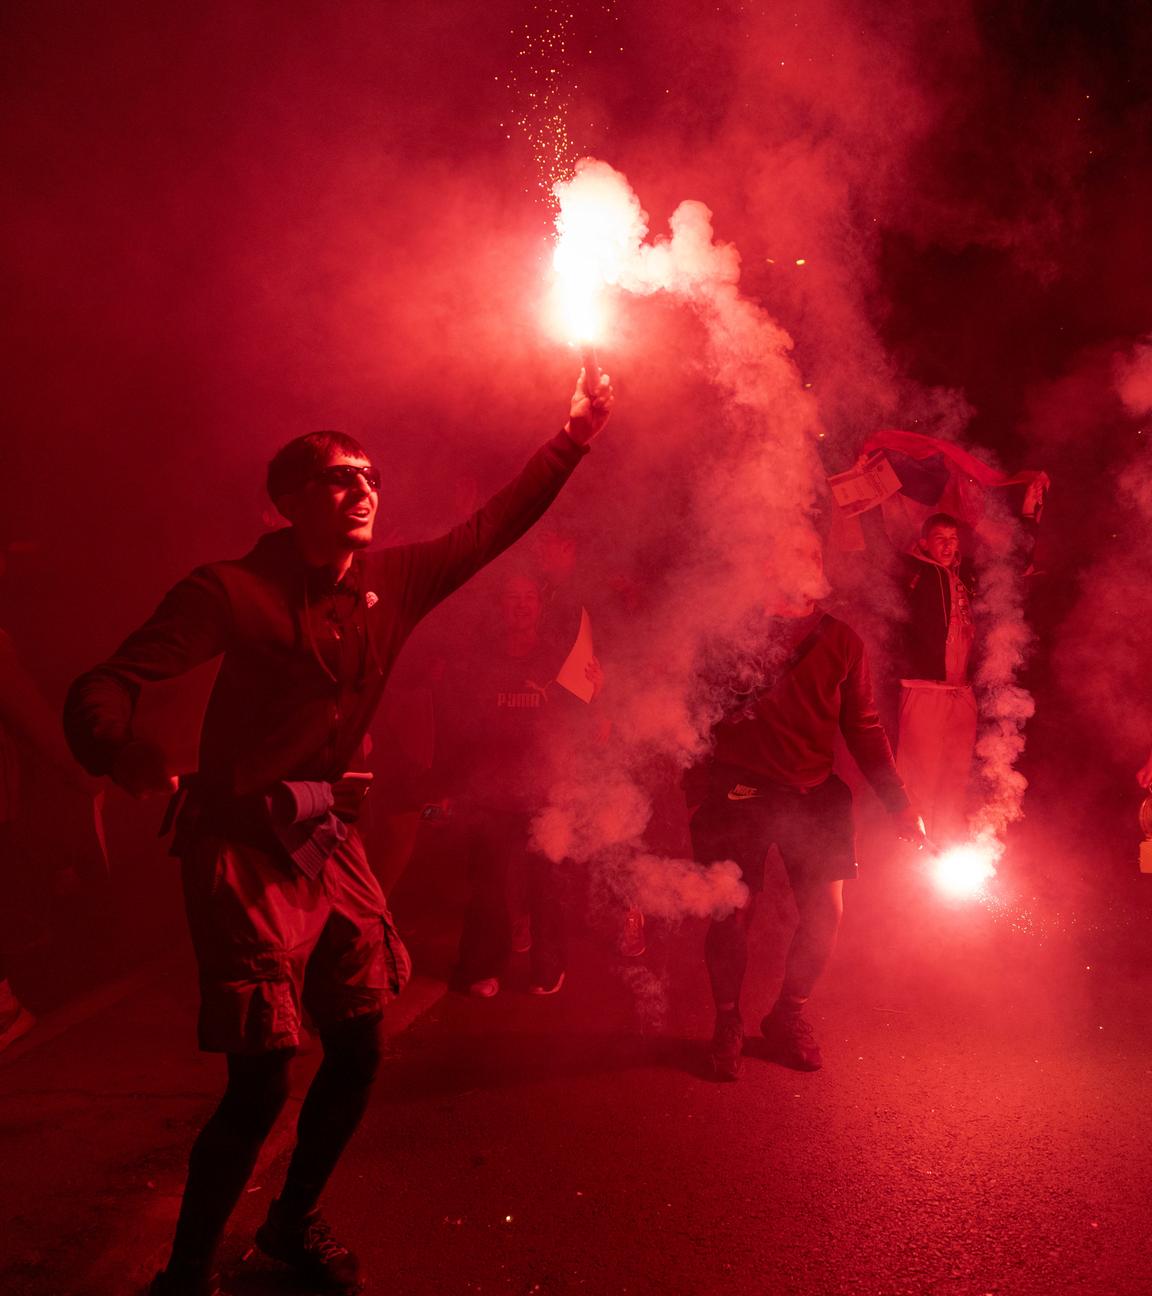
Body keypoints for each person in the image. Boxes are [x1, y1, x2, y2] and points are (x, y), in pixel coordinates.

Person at [63, 368, 613, 1296]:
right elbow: (105, 682)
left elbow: (491, 531)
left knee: (360, 1046)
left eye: (370, 477)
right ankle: (185, 1276)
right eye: (337, 478)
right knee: (263, 1078)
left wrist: (574, 438)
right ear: (287, 502)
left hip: (327, 840)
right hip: (238, 846)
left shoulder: (391, 583)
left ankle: (286, 1228)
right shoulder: (230, 591)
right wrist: (122, 753)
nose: (363, 491)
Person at [690, 536, 922, 1082]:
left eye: (816, 555)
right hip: (739, 791)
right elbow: (693, 712)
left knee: (826, 913)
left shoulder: (842, 641)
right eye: (793, 552)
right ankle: (728, 1020)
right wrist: (694, 788)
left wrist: (900, 804)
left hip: (813, 792)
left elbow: (863, 727)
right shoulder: (732, 630)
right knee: (730, 911)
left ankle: (787, 1014)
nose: (807, 564)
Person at [443, 569, 601, 998]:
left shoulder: (556, 657)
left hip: (545, 790)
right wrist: (456, 784)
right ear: (500, 606)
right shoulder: (481, 658)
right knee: (488, 885)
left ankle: (547, 968)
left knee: (547, 884)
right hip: (490, 790)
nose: (520, 605)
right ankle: (482, 966)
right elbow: (459, 724)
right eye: (511, 597)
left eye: (528, 597)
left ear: (539, 605)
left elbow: (585, 722)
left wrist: (596, 694)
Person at [894, 513, 978, 844]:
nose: (947, 545)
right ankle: (913, 853)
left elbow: (1014, 564)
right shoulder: (910, 571)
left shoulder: (966, 575)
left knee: (955, 776)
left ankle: (946, 849)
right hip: (923, 689)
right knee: (918, 777)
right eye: (939, 538)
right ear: (925, 542)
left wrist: (1029, 513)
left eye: (953, 538)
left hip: (960, 690)